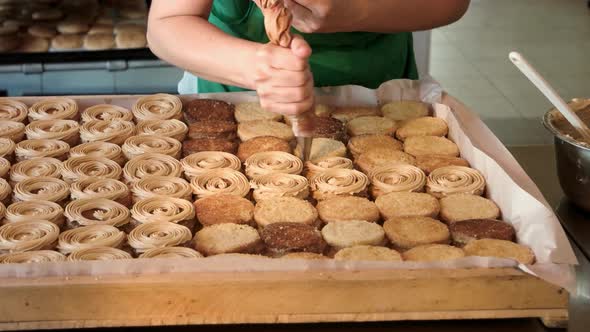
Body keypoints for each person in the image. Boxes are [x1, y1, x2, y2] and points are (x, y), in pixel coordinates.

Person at [147, 0, 470, 116]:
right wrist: (254, 67)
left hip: (382, 101)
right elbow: (167, 25)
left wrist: (358, 10)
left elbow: (450, 4)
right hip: (233, 100)